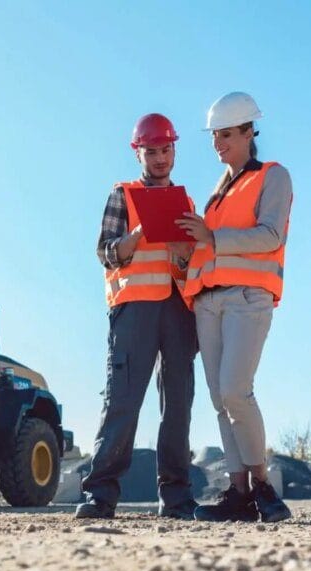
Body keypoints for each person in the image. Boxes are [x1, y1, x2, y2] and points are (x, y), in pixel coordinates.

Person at [175, 92, 293, 524]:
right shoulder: (216, 194)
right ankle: (238, 492)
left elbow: (270, 236)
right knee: (219, 400)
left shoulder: (273, 177)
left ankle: (263, 487)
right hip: (208, 302)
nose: (217, 143)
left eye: (226, 134)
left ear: (249, 132)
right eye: (214, 135)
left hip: (247, 297)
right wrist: (185, 249)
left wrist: (211, 238)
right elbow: (208, 248)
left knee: (235, 391)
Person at [76, 113, 199, 520]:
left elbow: (194, 262)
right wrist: (139, 233)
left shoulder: (188, 202)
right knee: (123, 401)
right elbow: (105, 252)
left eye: (166, 150)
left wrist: (187, 253)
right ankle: (100, 495)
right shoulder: (122, 195)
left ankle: (177, 497)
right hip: (134, 312)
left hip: (179, 311)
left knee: (178, 404)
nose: (160, 158)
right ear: (138, 153)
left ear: (175, 150)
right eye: (152, 151)